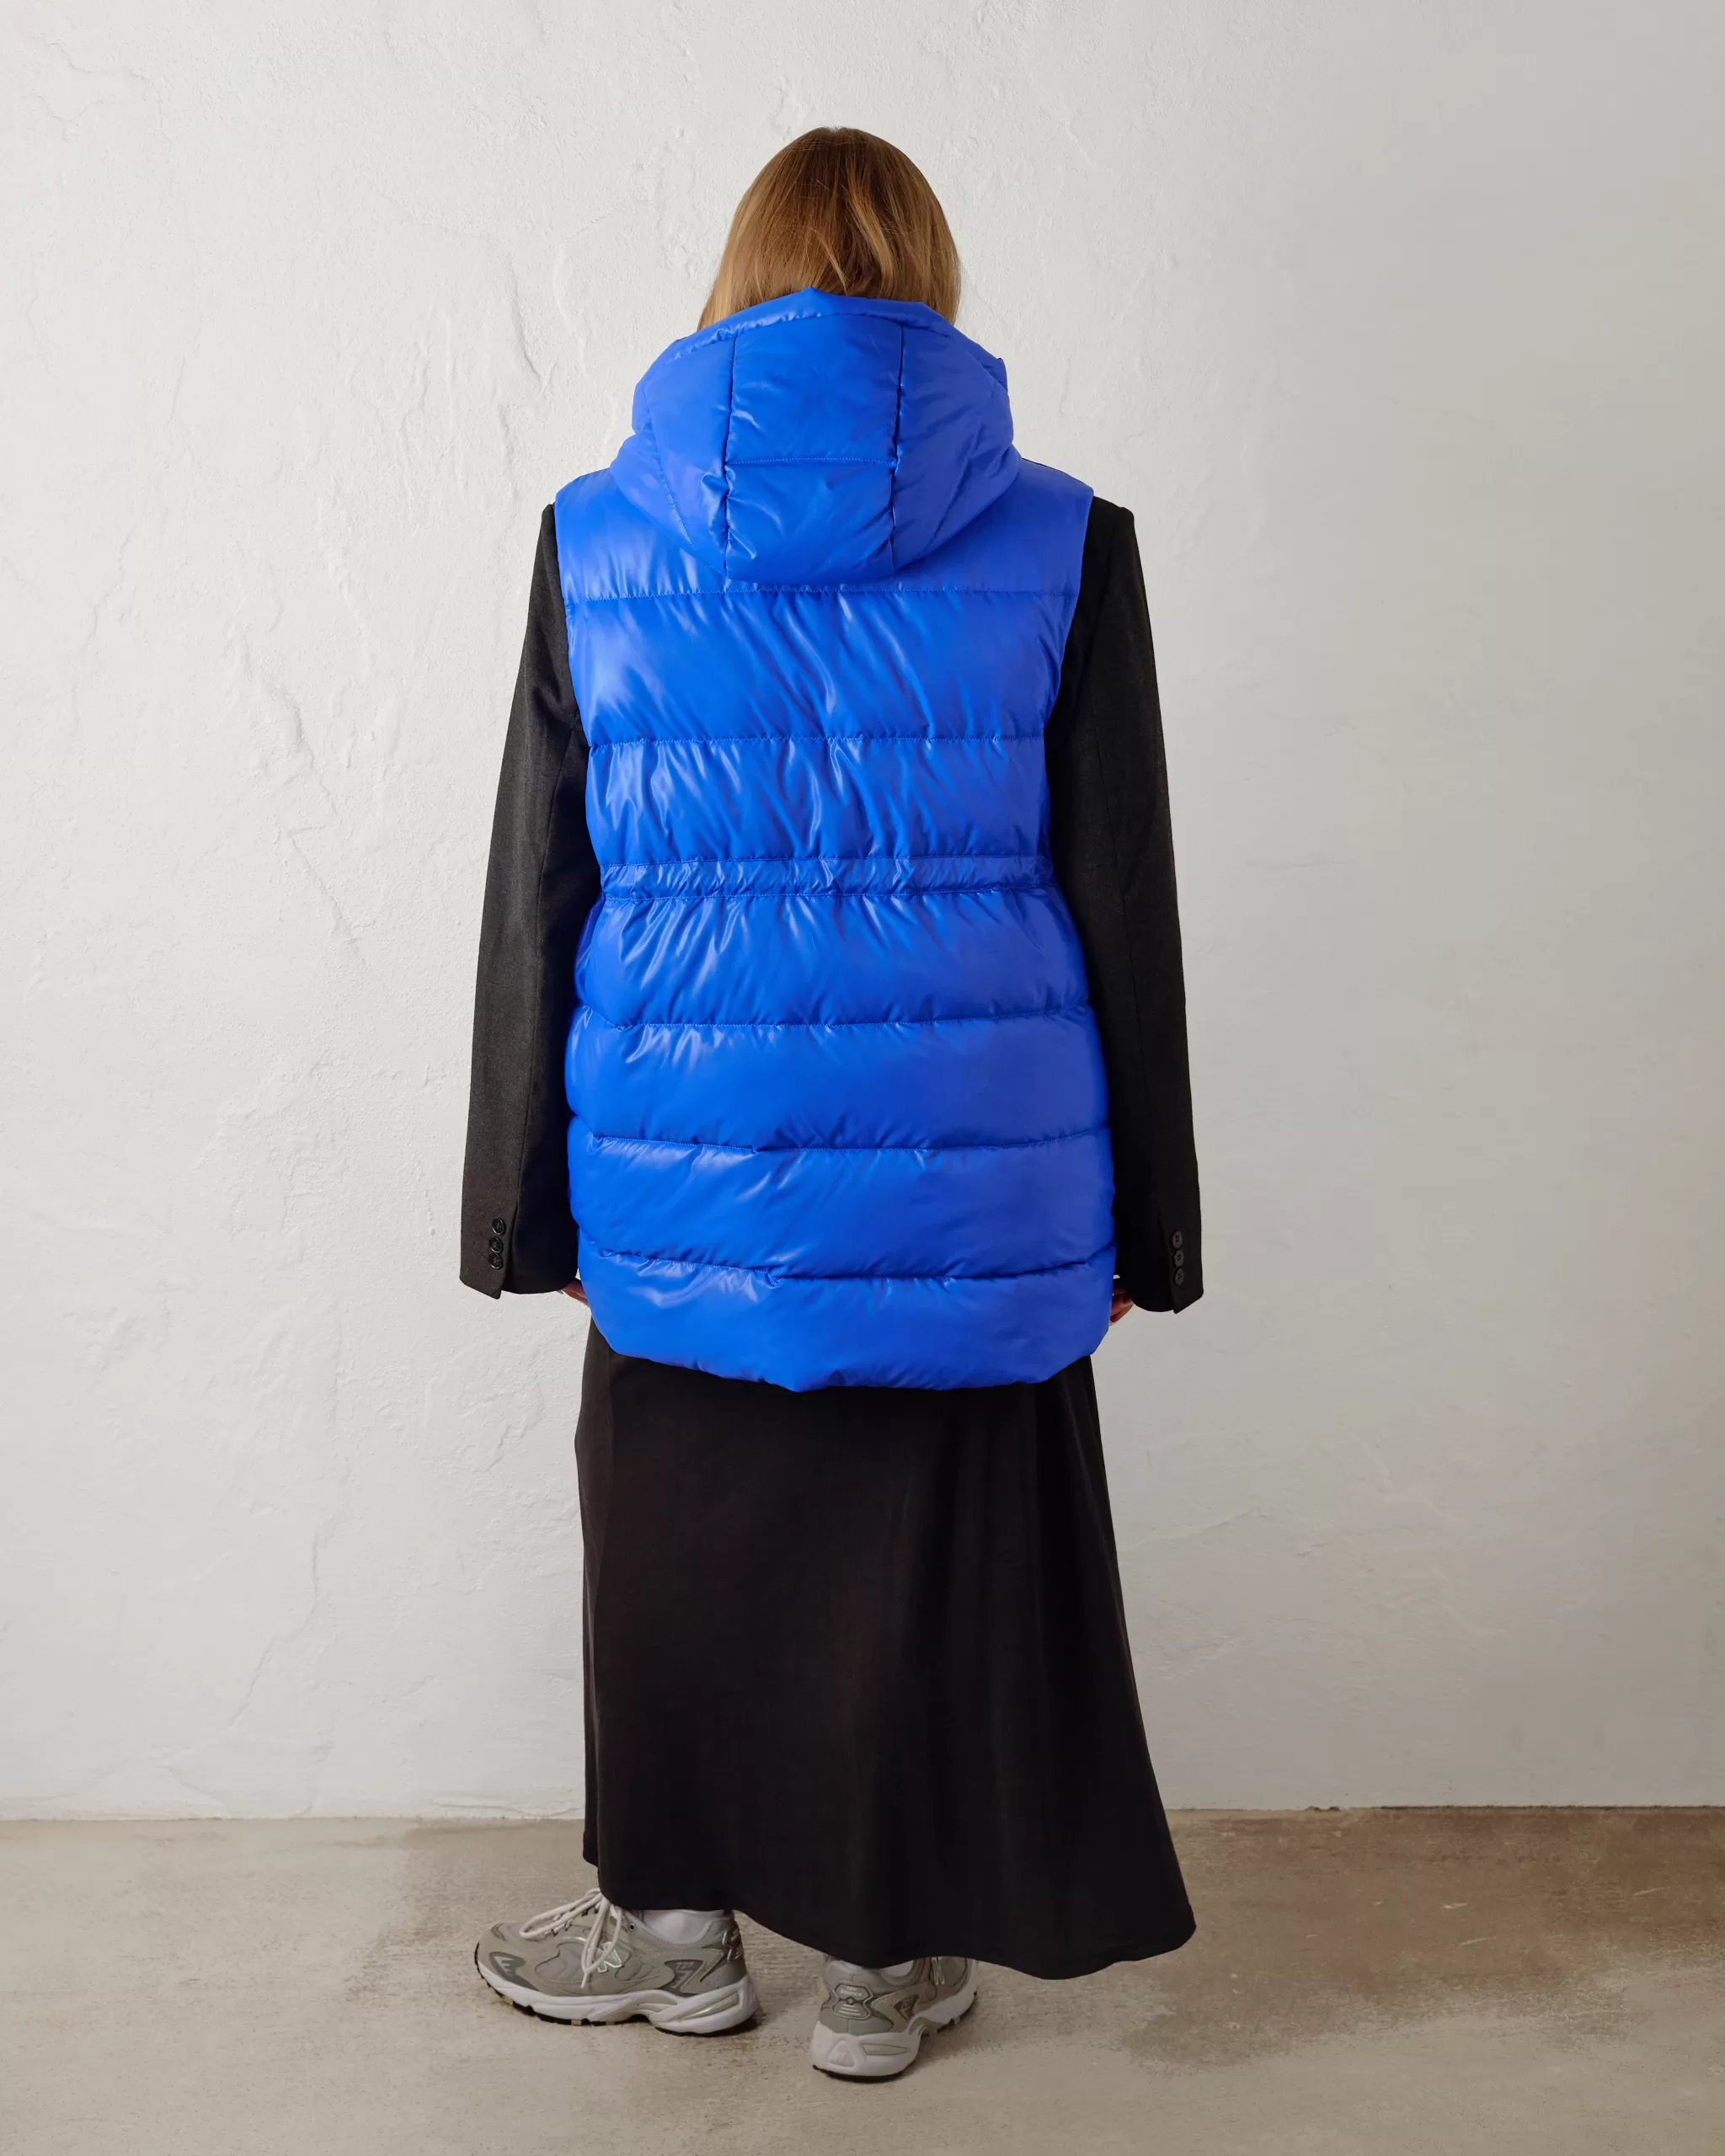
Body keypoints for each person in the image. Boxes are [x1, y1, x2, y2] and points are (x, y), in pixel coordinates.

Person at [459, 125, 1203, 2082]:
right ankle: (885, 1956)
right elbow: (1121, 891)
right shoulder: (1067, 535)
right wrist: (1151, 1229)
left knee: (675, 1531)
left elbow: (541, 889)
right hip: (975, 1175)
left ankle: (675, 1937)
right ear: (929, 278)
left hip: (683, 1151)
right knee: (922, 1560)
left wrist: (523, 1210)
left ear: (736, 272)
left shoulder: (592, 538)